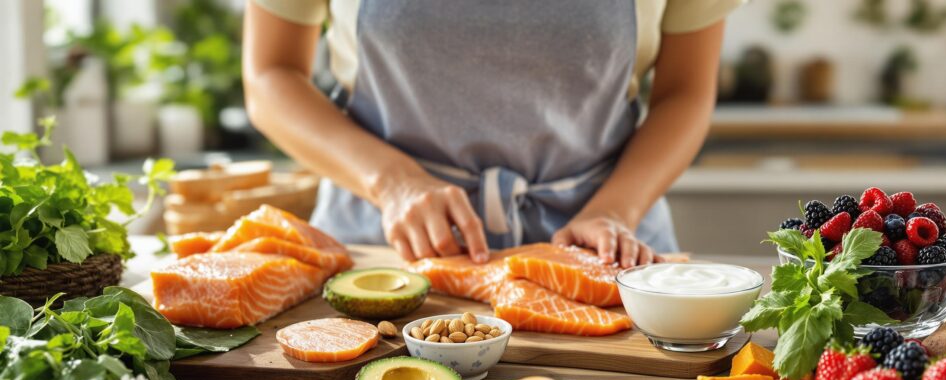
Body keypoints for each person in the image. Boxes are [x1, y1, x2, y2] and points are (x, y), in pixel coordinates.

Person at [243, 0, 740, 267]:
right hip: (386, 244)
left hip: (605, 244)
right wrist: (392, 182)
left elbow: (685, 94)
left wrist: (615, 209)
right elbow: (270, 76)